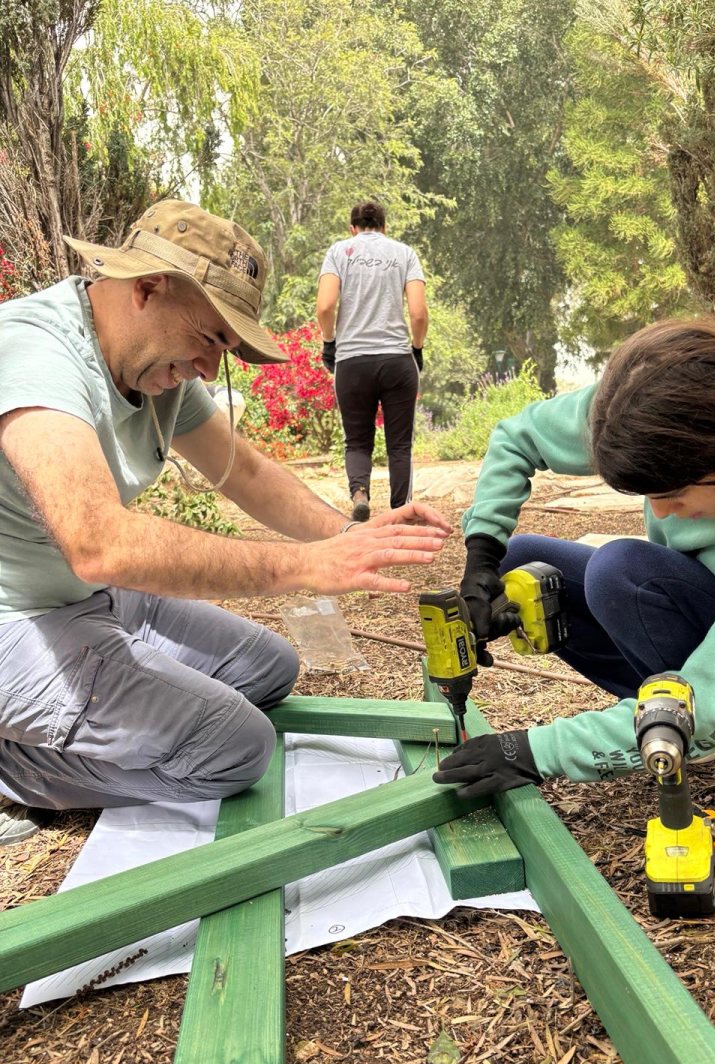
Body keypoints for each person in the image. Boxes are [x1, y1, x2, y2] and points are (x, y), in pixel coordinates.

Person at [0, 199, 450, 845]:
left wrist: (347, 538)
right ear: (147, 288)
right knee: (234, 750)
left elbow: (247, 474)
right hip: (14, 616)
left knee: (265, 668)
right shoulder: (34, 354)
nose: (212, 368)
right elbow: (99, 544)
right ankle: (15, 768)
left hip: (76, 598)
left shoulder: (154, 367)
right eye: (212, 337)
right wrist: (301, 567)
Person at [433, 318, 715, 822]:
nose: (662, 512)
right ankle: (660, 716)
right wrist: (481, 559)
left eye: (673, 494)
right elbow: (516, 439)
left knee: (622, 572)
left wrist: (538, 751)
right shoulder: (642, 412)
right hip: (708, 619)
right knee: (522, 564)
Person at [316, 200, 427, 522]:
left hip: (352, 362)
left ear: (353, 229)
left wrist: (329, 343)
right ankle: (401, 512)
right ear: (384, 227)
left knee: (357, 442)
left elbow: (325, 307)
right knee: (399, 446)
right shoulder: (404, 253)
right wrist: (416, 348)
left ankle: (360, 494)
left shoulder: (339, 252)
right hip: (396, 361)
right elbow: (418, 313)